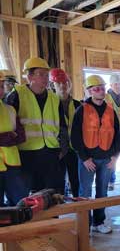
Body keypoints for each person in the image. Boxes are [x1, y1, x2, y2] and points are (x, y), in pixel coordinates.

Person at [5, 57, 68, 195]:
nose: (45, 78)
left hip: (51, 152)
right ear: (29, 76)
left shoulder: (54, 98)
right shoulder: (16, 96)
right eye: (41, 74)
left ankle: (52, 217)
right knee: (29, 197)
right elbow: (7, 126)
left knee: (52, 194)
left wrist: (63, 148)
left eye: (47, 75)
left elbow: (62, 126)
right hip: (27, 153)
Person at [71, 75, 120, 234]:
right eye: (96, 88)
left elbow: (117, 136)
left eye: (102, 88)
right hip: (88, 160)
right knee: (85, 193)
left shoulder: (111, 111)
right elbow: (75, 137)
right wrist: (84, 159)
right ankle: (84, 225)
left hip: (106, 159)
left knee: (102, 192)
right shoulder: (81, 110)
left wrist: (114, 157)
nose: (100, 91)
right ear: (89, 91)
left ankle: (98, 223)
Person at [50, 68, 81, 198]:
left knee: (76, 180)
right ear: (53, 86)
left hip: (74, 149)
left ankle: (79, 207)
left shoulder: (78, 105)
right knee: (58, 183)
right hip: (57, 149)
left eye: (65, 82)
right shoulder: (49, 104)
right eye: (59, 83)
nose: (63, 86)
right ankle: (59, 211)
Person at [0, 98, 29, 206]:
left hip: (12, 165)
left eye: (2, 86)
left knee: (20, 205)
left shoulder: (10, 109)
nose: (1, 89)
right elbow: (14, 136)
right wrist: (9, 136)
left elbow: (21, 137)